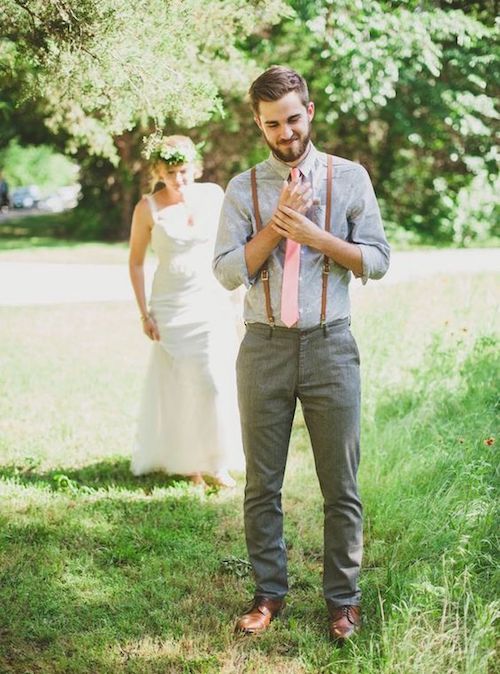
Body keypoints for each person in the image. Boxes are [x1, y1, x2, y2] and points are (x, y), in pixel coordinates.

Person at [213, 67, 390, 642]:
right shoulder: (244, 189)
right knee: (262, 483)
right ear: (258, 125)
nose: (285, 131)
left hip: (330, 345)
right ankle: (269, 594)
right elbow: (226, 271)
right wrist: (279, 225)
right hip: (262, 347)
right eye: (272, 124)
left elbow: (378, 259)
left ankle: (342, 601)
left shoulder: (351, 178)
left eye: (293, 118)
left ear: (309, 111)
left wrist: (316, 238)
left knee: (341, 483)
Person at [129, 134, 244, 488]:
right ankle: (190, 464)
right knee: (181, 384)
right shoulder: (147, 208)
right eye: (171, 173)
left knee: (213, 381)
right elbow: (135, 263)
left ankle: (218, 461)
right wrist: (144, 313)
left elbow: (233, 244)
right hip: (170, 305)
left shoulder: (213, 195)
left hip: (210, 300)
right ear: (157, 171)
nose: (179, 179)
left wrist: (236, 297)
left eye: (183, 171)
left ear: (194, 166)